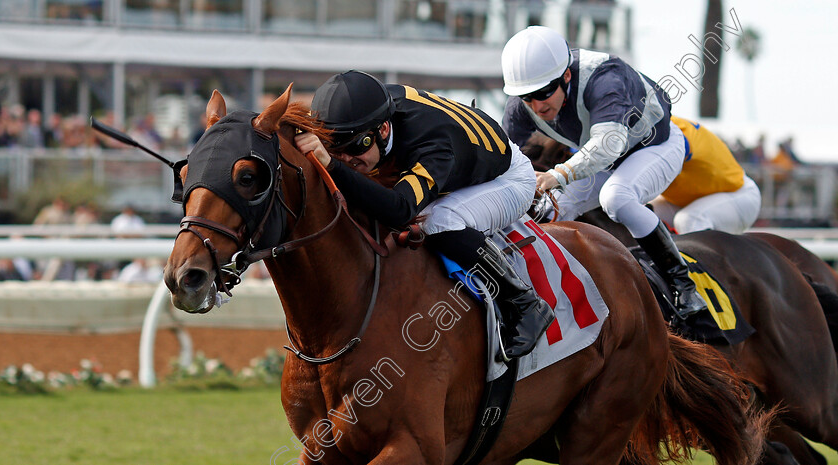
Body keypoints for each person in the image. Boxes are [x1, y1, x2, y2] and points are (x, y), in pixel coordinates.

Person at [294, 70, 554, 360]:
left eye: (356, 146)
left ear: (382, 130)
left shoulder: (432, 145)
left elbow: (400, 209)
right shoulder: (372, 109)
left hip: (507, 180)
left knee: (436, 219)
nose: (347, 158)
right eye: (334, 148)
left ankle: (523, 301)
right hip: (467, 156)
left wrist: (333, 165)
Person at [500, 25, 706, 317]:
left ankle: (683, 286)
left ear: (566, 76)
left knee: (616, 198)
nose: (536, 105)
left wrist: (555, 176)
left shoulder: (605, 78)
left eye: (544, 93)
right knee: (545, 211)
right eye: (527, 97)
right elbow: (501, 157)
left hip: (654, 148)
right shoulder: (520, 106)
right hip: (604, 160)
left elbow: (608, 146)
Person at [649, 116, 762, 234]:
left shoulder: (674, 132)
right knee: (637, 217)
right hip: (687, 200)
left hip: (739, 194)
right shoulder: (654, 126)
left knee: (689, 221)